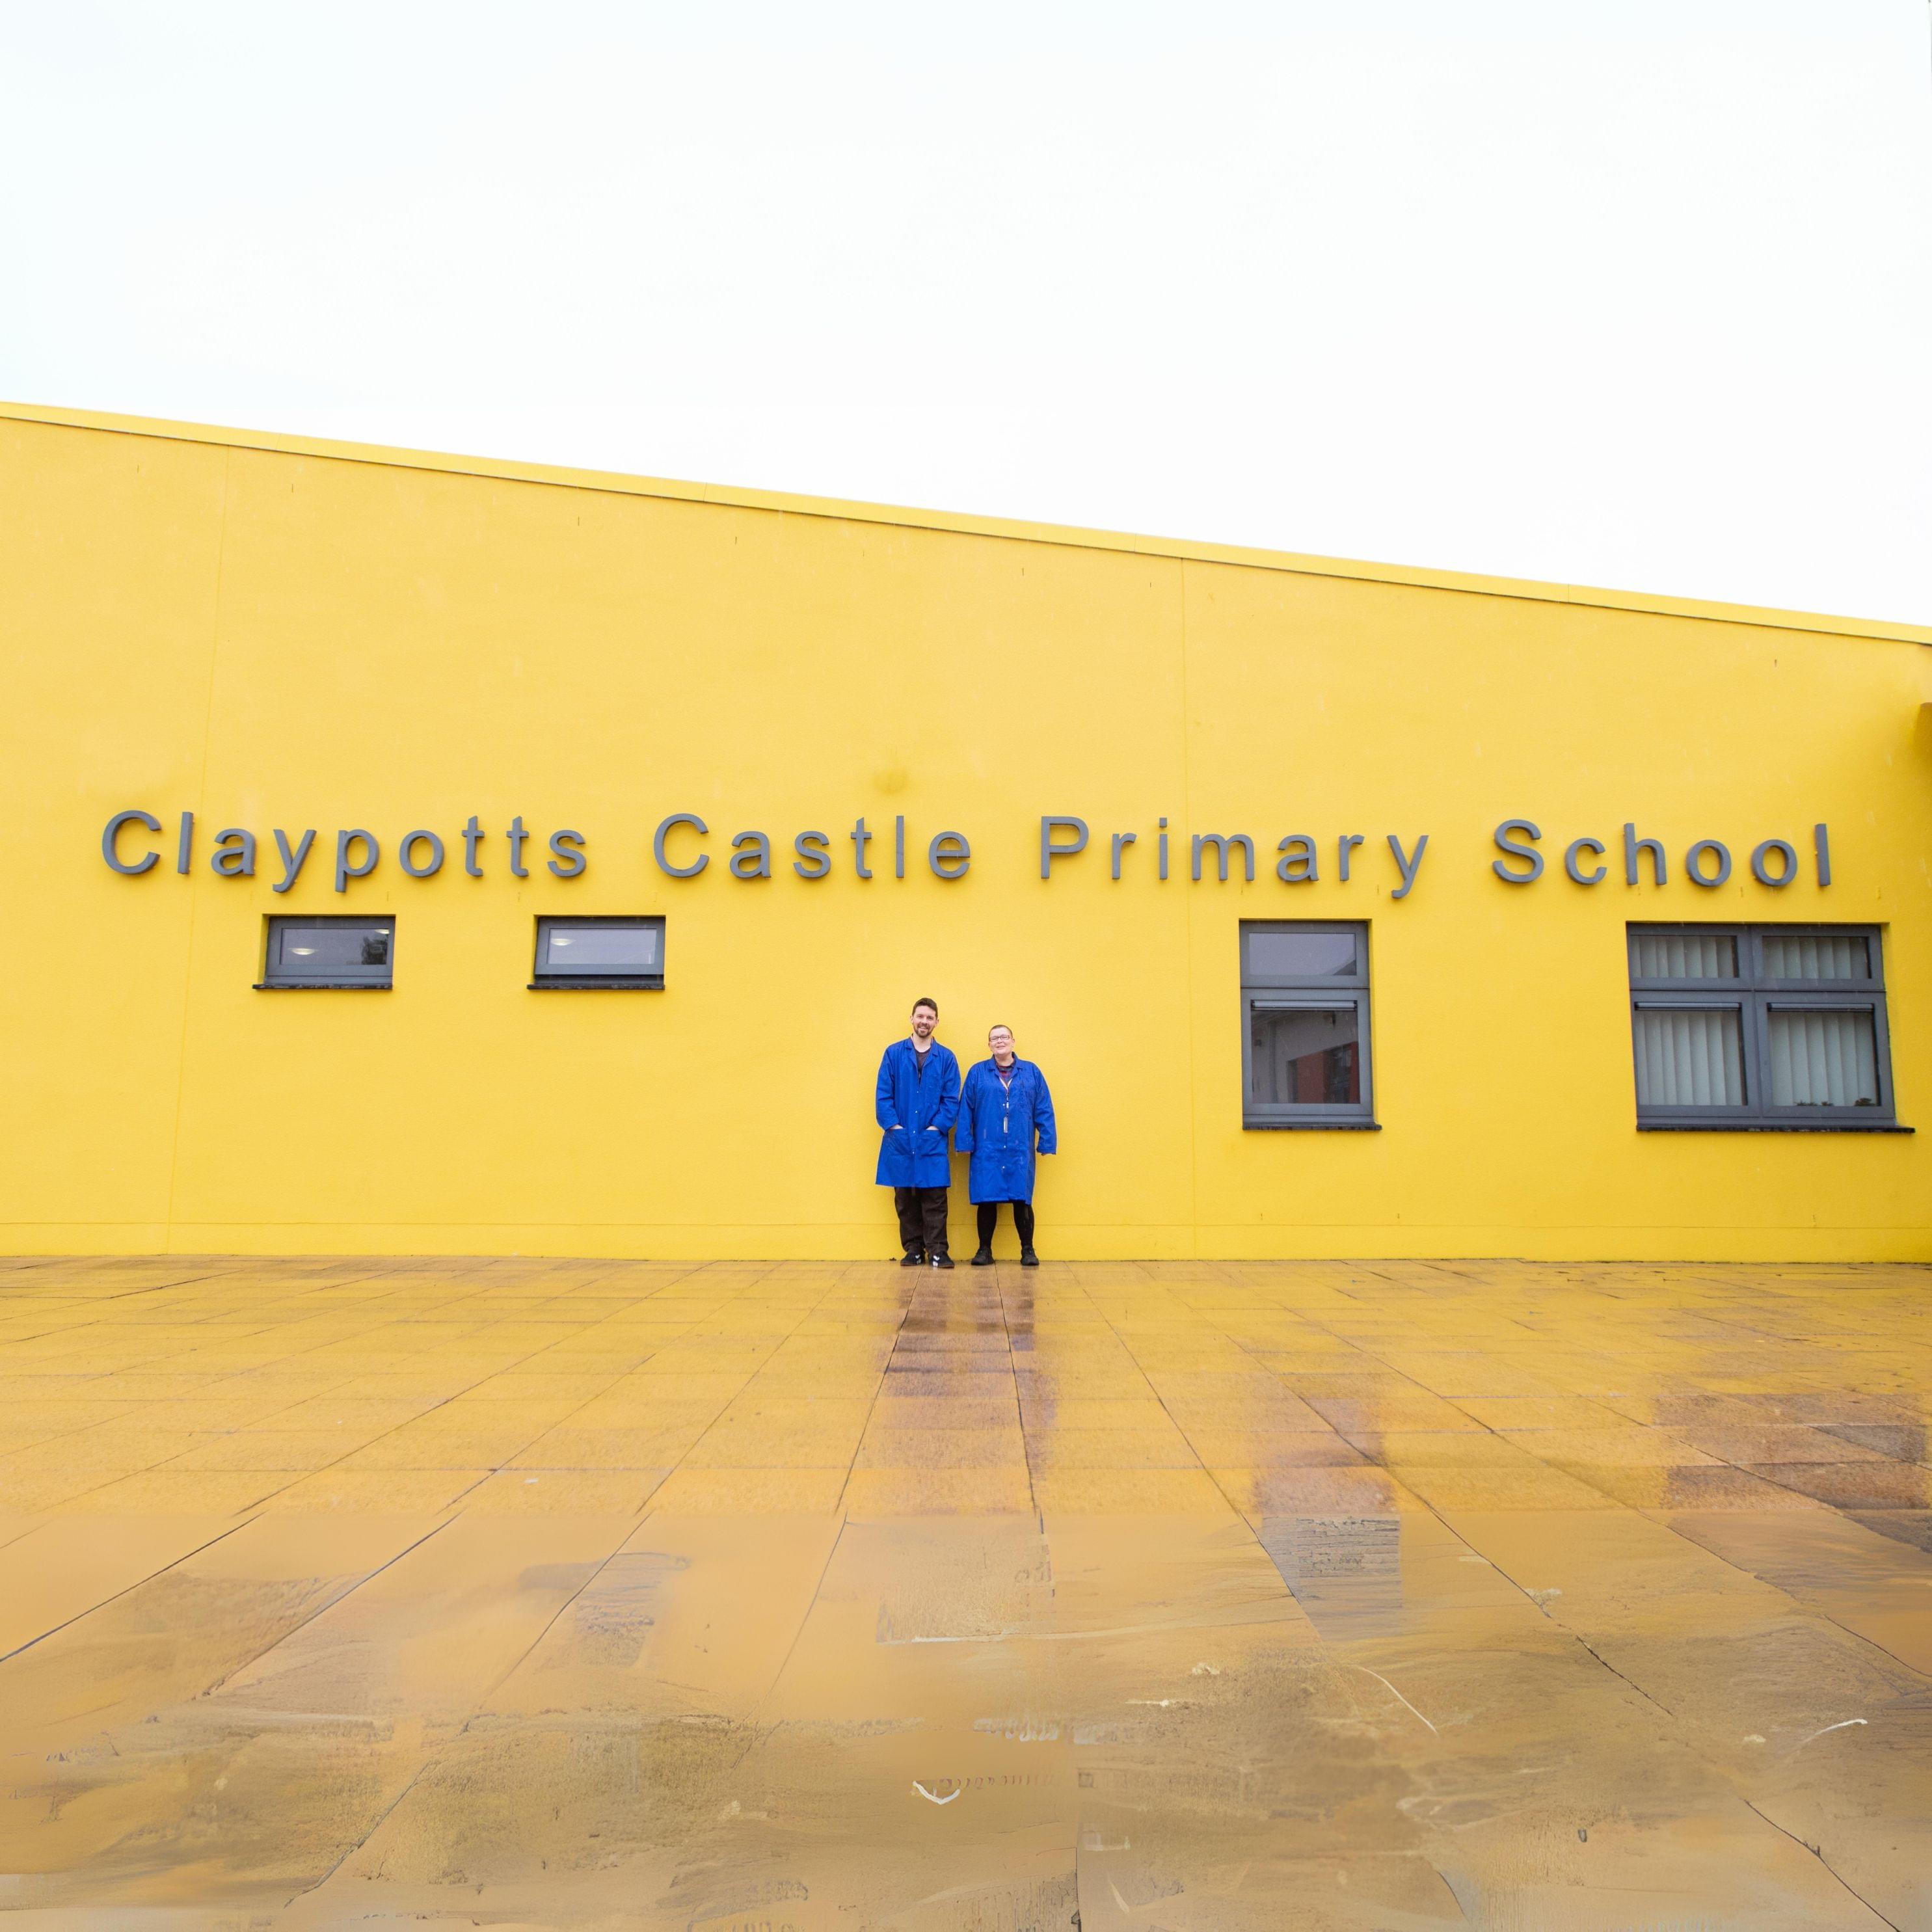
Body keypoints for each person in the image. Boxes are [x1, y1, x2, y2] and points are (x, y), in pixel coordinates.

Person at [955, 1023, 1056, 1267]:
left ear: (1013, 1041)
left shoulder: (1031, 1072)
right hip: (986, 1148)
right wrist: (964, 1142)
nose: (999, 1041)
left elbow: (1043, 1108)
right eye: (994, 1038)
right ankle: (984, 1250)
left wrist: (1047, 1140)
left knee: (1022, 1199)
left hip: (1020, 1149)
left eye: (1004, 1037)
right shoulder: (978, 1073)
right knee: (986, 1198)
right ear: (989, 1045)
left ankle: (1028, 1250)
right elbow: (965, 1110)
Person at [874, 997, 961, 1267]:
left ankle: (938, 1251)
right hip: (900, 1139)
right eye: (920, 1016)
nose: (924, 1021)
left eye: (930, 1017)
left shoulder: (946, 1058)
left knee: (935, 1198)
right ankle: (913, 1250)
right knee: (905, 1199)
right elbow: (883, 1095)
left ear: (937, 1022)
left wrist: (937, 1128)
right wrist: (895, 1126)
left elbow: (951, 1099)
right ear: (911, 1019)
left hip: (931, 1139)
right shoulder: (893, 1054)